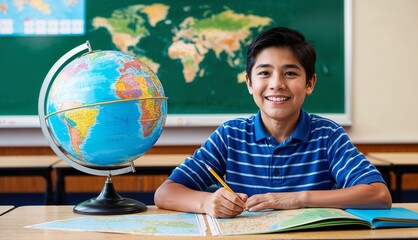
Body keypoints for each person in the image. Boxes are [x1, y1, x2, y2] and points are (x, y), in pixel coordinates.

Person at [154, 27, 392, 218]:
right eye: (264, 73)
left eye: (290, 73)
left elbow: (379, 195)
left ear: (310, 83)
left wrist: (297, 199)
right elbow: (165, 193)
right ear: (249, 83)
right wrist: (206, 201)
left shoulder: (328, 135)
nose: (277, 84)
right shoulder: (230, 135)